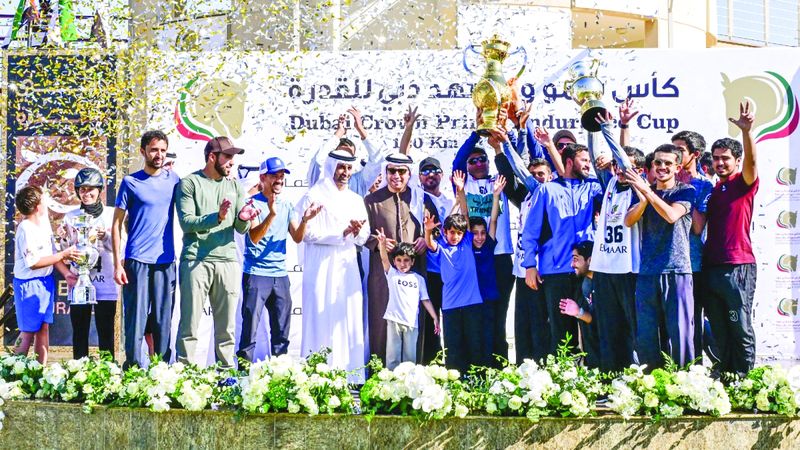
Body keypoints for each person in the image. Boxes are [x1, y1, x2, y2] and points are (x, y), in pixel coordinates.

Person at [175, 136, 260, 368]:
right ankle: (185, 376)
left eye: (233, 157)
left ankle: (226, 376)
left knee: (227, 328)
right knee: (190, 325)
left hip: (227, 261)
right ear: (212, 157)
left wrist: (243, 218)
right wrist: (218, 217)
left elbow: (241, 229)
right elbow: (186, 222)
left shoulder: (234, 186)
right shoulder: (189, 183)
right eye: (228, 156)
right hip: (196, 260)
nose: (232, 162)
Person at [237, 157, 322, 362]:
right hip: (256, 274)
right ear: (262, 178)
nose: (279, 180)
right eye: (274, 175)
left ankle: (279, 372)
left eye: (282, 176)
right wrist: (271, 215)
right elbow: (254, 237)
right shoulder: (251, 204)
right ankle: (243, 374)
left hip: (280, 275)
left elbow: (297, 237)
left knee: (281, 333)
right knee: (249, 331)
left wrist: (305, 220)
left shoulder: (286, 205)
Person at [697, 101, 759, 377]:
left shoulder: (743, 184)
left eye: (725, 158)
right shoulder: (713, 190)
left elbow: (752, 163)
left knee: (739, 325)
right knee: (719, 327)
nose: (720, 163)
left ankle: (744, 379)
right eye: (716, 158)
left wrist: (746, 132)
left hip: (737, 266)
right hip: (711, 267)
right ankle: (726, 375)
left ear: (736, 160)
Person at [296, 149, 370, 381]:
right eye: (341, 167)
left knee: (347, 315)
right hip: (321, 265)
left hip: (347, 265)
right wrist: (342, 233)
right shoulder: (313, 195)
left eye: (348, 168)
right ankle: (317, 375)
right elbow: (306, 233)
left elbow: (364, 236)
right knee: (320, 315)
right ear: (331, 167)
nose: (345, 172)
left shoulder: (355, 199)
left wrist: (356, 232)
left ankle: (350, 376)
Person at [522, 143, 602, 353]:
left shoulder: (593, 188)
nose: (588, 165)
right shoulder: (546, 190)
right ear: (569, 162)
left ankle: (595, 370)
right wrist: (529, 265)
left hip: (587, 271)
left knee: (592, 324)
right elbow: (530, 232)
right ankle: (564, 371)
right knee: (561, 332)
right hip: (556, 271)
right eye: (584, 160)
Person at [112, 130, 180, 369]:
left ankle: (162, 371)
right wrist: (118, 264)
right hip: (137, 260)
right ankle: (132, 370)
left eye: (163, 150)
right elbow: (116, 224)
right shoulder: (130, 182)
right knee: (136, 320)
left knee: (163, 320)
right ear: (143, 152)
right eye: (154, 150)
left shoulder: (174, 180)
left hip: (165, 261)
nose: (159, 155)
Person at [624, 144, 696, 369]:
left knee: (680, 334)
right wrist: (644, 198)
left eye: (667, 163)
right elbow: (628, 220)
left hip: (677, 270)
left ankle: (685, 381)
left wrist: (647, 193)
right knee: (647, 335)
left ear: (677, 167)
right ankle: (652, 383)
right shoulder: (644, 192)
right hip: (647, 272)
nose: (662, 167)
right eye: (658, 162)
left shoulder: (686, 191)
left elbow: (671, 215)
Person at [364, 153, 427, 364]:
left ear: (409, 174)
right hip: (383, 273)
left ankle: (413, 373)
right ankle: (381, 374)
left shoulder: (420, 198)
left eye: (402, 171)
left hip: (413, 271)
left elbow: (435, 227)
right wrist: (378, 243)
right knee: (382, 320)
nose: (396, 176)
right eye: (392, 171)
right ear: (386, 172)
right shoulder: (372, 201)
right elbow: (362, 235)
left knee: (413, 322)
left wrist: (425, 239)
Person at [589, 146, 642, 373]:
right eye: (616, 165)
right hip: (604, 266)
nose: (620, 170)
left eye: (626, 166)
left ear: (639, 170)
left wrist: (618, 130)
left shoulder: (639, 189)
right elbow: (594, 153)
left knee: (632, 326)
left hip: (628, 268)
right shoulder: (610, 182)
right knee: (607, 326)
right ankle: (609, 375)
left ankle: (636, 375)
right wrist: (594, 127)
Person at [13, 185, 78, 364]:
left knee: (43, 328)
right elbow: (34, 263)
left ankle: (39, 371)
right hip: (28, 284)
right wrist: (64, 255)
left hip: (45, 282)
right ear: (37, 206)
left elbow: (52, 254)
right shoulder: (25, 228)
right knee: (28, 331)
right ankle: (13, 370)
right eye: (43, 200)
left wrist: (66, 274)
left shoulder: (44, 224)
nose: (46, 202)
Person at [672, 130, 717, 363]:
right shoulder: (665, 178)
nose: (675, 154)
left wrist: (686, 190)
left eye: (680, 150)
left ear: (695, 154)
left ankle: (694, 370)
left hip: (693, 264)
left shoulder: (704, 185)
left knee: (691, 321)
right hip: (665, 263)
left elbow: (698, 227)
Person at [63, 168, 117, 359]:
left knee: (106, 332)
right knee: (79, 332)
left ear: (99, 190)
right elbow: (65, 253)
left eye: (90, 189)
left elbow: (120, 247)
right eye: (82, 189)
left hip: (106, 282)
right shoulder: (70, 217)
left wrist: (106, 237)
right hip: (79, 282)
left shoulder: (111, 214)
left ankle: (108, 371)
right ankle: (79, 370)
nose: (86, 193)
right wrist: (66, 242)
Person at [423, 211, 486, 375]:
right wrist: (428, 230)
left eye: (459, 233)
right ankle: (455, 381)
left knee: (474, 344)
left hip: (472, 303)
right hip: (450, 306)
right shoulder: (441, 248)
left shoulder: (467, 242)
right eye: (451, 232)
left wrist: (460, 196)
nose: (455, 236)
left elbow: (465, 215)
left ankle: (477, 380)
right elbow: (430, 244)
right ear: (445, 232)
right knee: (453, 347)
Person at [374, 231, 439, 370]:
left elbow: (426, 300)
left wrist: (435, 317)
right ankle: (391, 380)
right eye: (399, 260)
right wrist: (382, 244)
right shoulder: (392, 274)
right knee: (393, 356)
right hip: (394, 319)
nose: (402, 264)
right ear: (394, 261)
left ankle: (409, 380)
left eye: (406, 260)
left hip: (411, 322)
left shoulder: (418, 279)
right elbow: (384, 259)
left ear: (412, 261)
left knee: (410, 356)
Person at [417, 156, 454, 364]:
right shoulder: (416, 199)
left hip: (450, 270)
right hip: (429, 270)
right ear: (419, 177)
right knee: (431, 321)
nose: (430, 175)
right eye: (425, 171)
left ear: (441, 174)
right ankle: (432, 364)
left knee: (452, 319)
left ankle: (454, 363)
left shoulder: (450, 201)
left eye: (434, 171)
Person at [559, 241, 600, 369]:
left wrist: (578, 312)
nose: (572, 265)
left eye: (576, 259)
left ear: (590, 260)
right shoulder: (584, 284)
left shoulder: (605, 284)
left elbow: (603, 321)